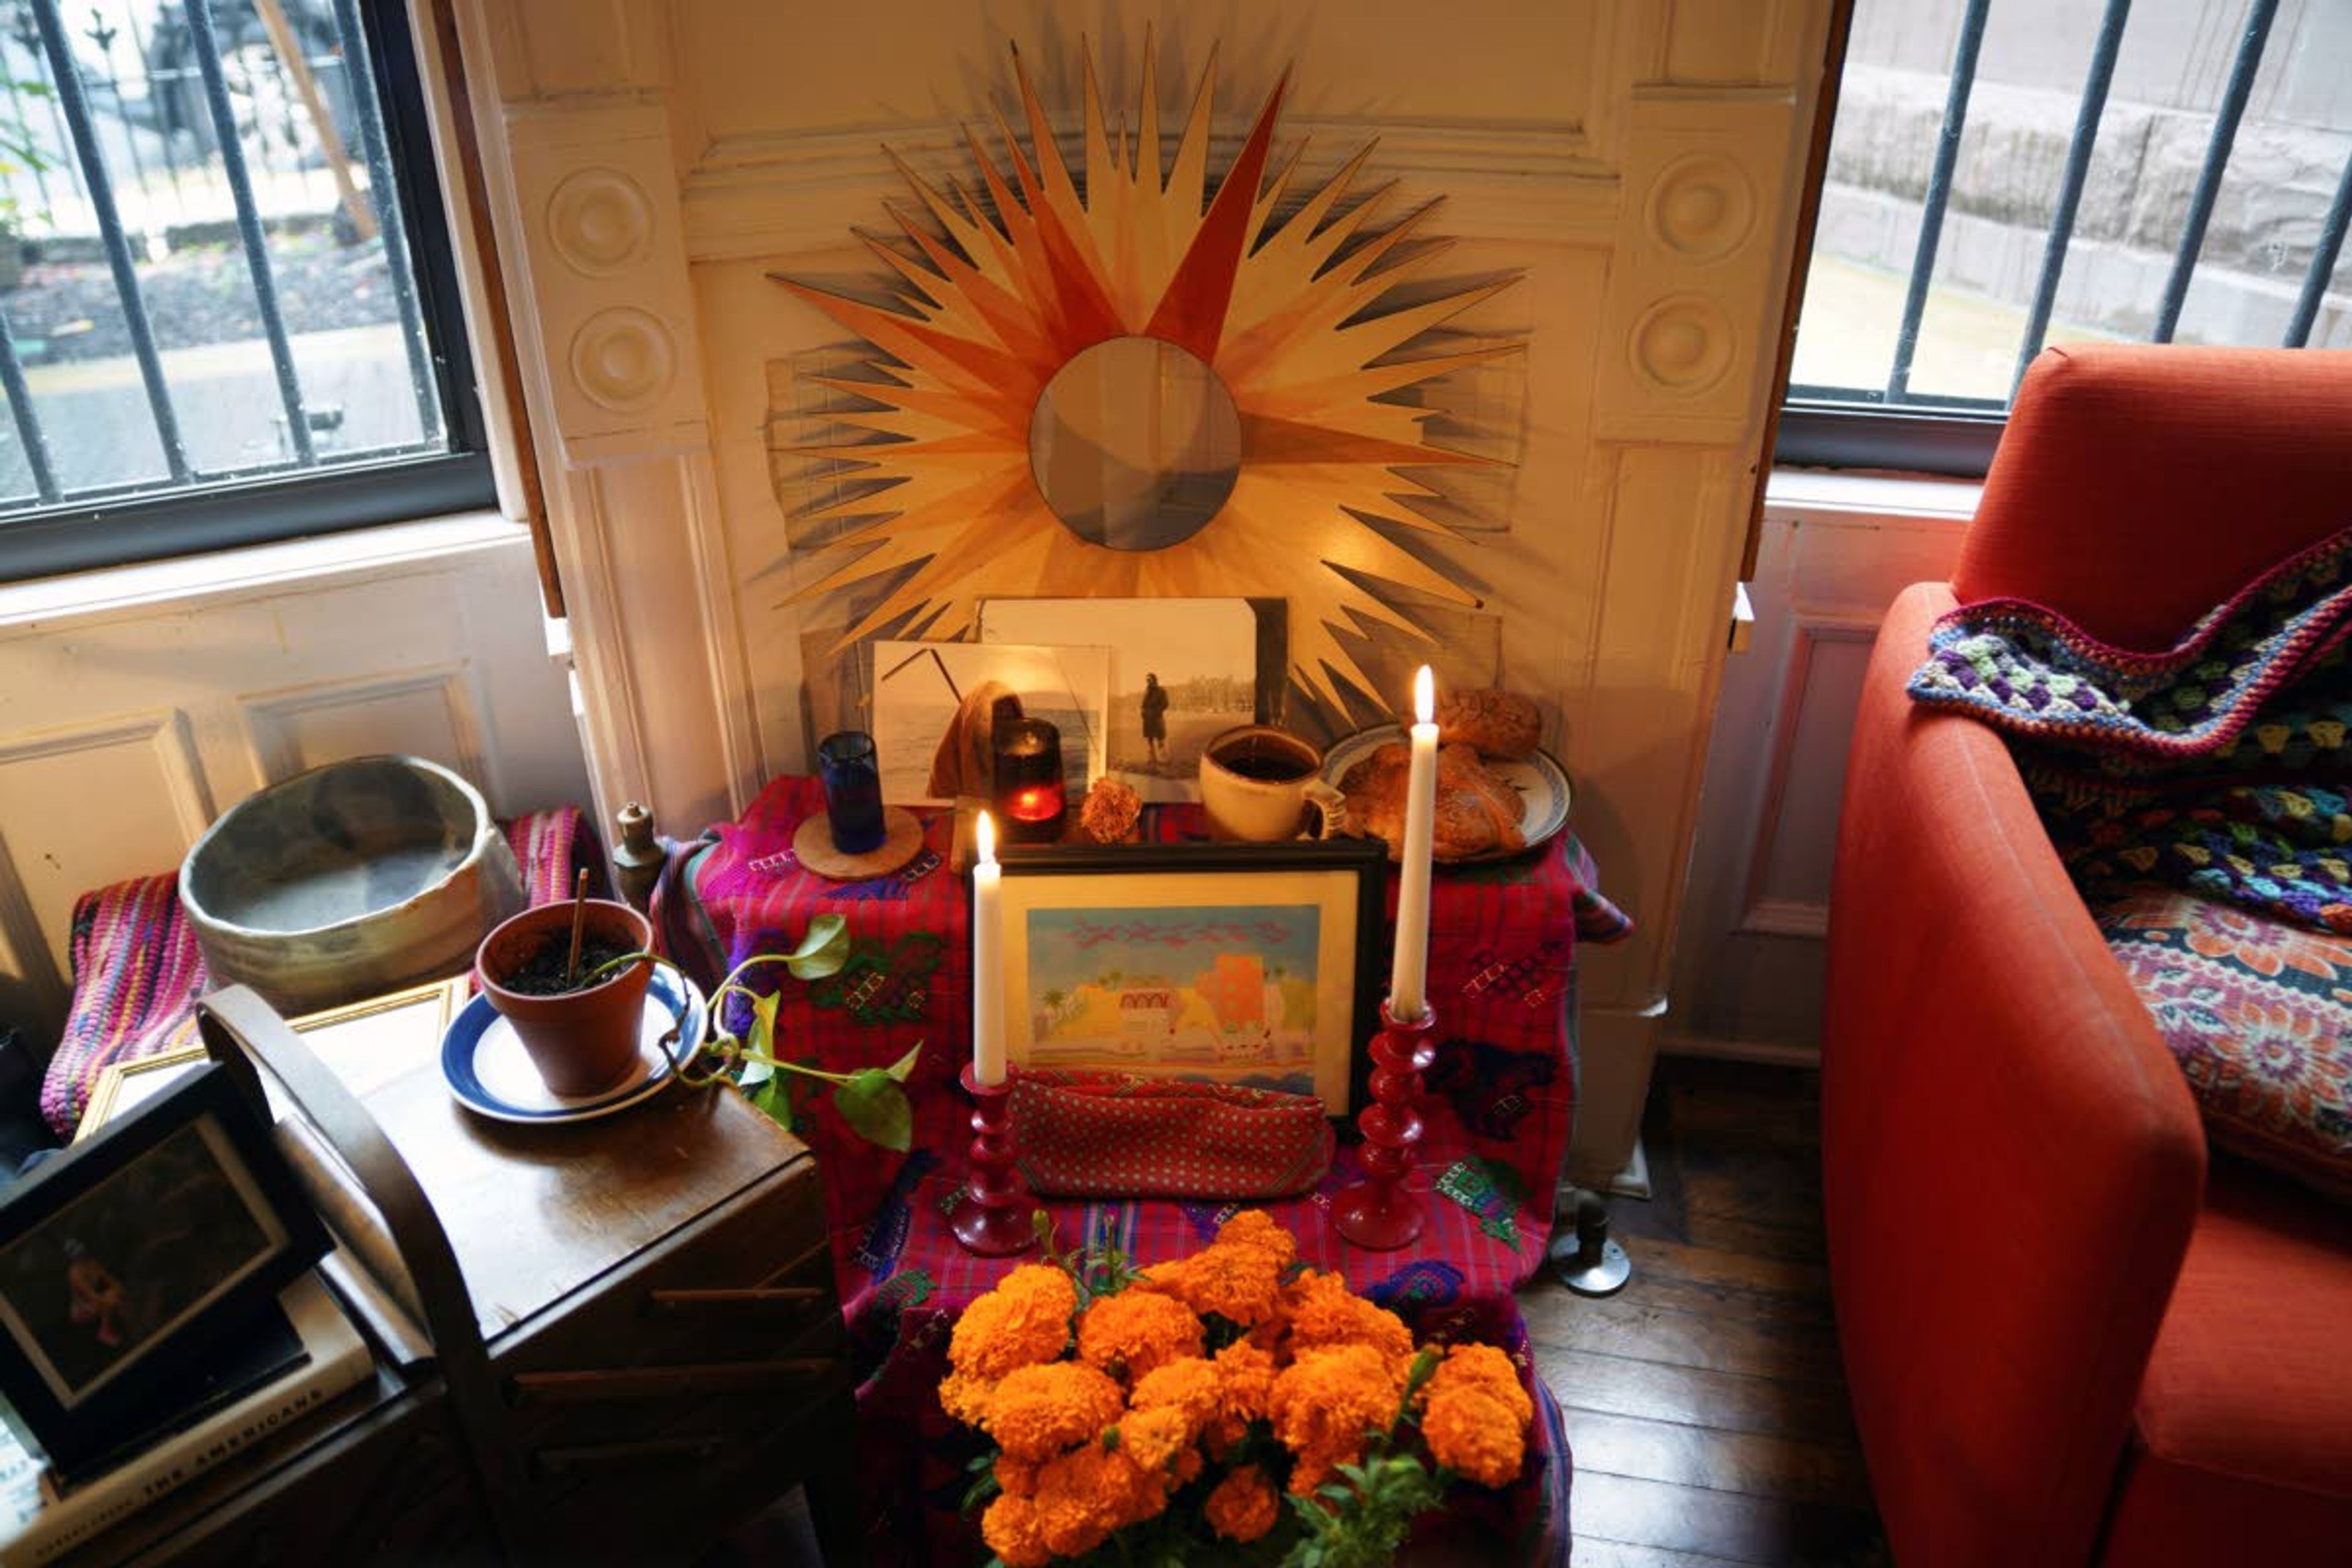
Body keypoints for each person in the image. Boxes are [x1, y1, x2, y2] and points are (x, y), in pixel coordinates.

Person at [1140, 673, 1170, 765]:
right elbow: (1143, 704)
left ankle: (1163, 758)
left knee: (1160, 738)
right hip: (1148, 720)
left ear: (1154, 680)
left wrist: (1157, 711)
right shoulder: (1147, 692)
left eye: (1150, 680)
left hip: (1157, 718)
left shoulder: (1161, 691)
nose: (1148, 682)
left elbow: (1165, 704)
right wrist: (1143, 712)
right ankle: (1152, 759)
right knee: (1150, 740)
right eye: (1147, 680)